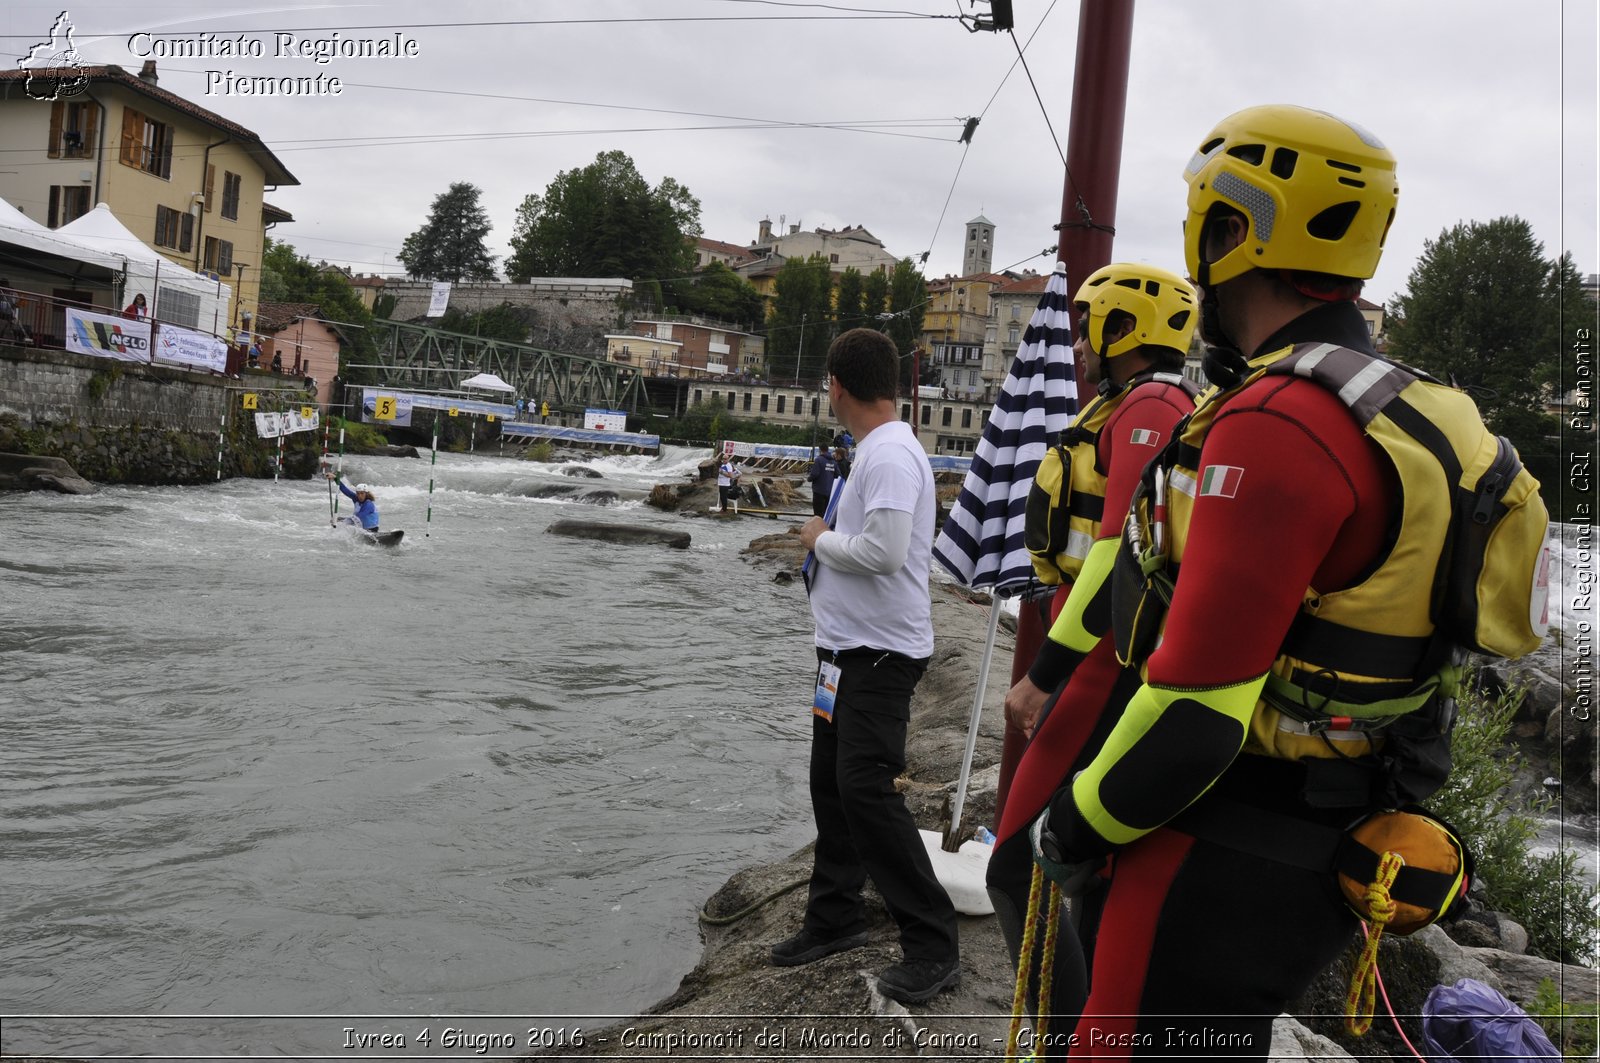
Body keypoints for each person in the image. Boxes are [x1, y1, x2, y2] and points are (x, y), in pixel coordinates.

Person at [1022, 104, 1494, 1057]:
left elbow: (1197, 711)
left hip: (1219, 839)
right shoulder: (1419, 407)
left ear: (1233, 229)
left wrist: (1067, 826)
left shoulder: (1279, 417)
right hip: (1332, 835)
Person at [982, 263, 1200, 1023]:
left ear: (1123, 331)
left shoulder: (1154, 404)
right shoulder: (1128, 403)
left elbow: (1116, 555)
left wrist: (1043, 674)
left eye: (1089, 326)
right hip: (1098, 662)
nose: (1078, 343)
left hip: (1103, 672)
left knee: (1016, 867)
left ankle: (1059, 1036)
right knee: (1076, 874)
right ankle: (1078, 1030)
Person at [771, 327, 960, 1006]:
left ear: (836, 385)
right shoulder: (877, 450)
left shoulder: (887, 458)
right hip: (842, 657)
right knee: (832, 784)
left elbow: (882, 551)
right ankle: (834, 917)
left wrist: (822, 538)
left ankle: (934, 942)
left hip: (878, 657)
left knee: (867, 790)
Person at [806, 446, 840, 517]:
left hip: (819, 490)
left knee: (818, 513)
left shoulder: (818, 460)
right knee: (826, 512)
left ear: (820, 450)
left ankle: (818, 527)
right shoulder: (834, 461)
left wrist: (809, 479)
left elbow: (815, 473)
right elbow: (838, 475)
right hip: (829, 491)